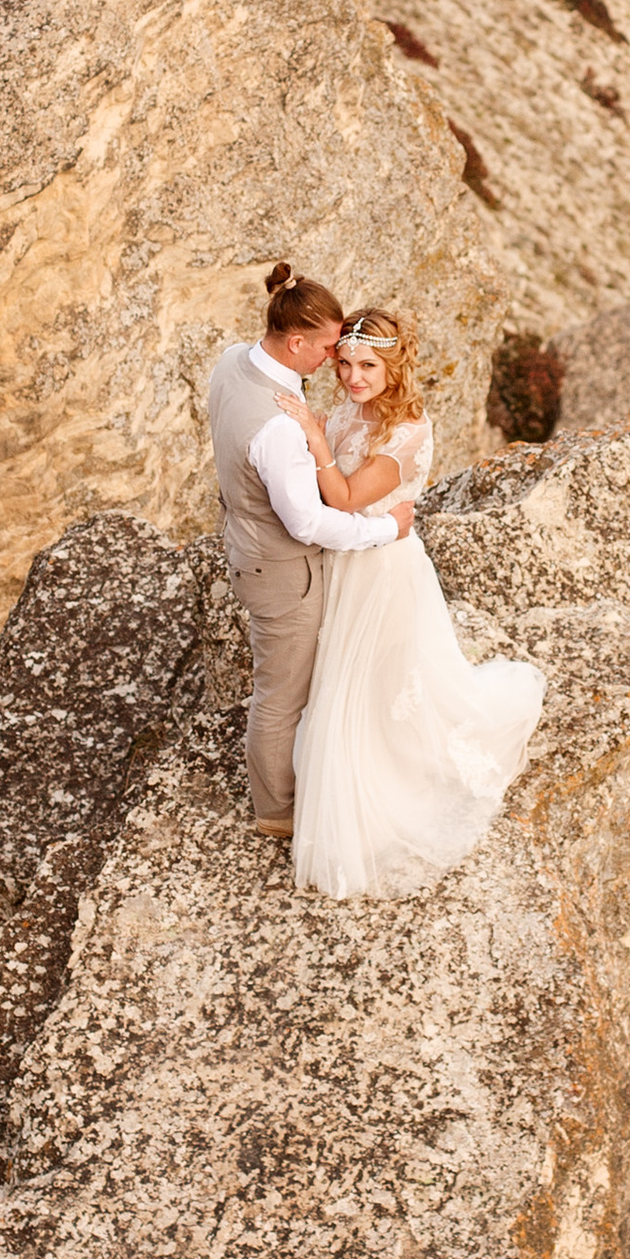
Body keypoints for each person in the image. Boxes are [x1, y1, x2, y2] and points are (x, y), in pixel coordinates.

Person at [282, 301, 546, 901]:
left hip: (382, 570)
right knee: (347, 681)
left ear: (393, 368)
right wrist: (320, 434)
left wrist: (315, 440)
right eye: (345, 363)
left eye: (367, 367)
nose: (352, 377)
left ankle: (386, 790)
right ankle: (350, 778)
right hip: (344, 565)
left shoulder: (407, 428)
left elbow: (347, 496)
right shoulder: (351, 413)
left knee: (379, 682)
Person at [204, 263, 413, 841]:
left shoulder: (232, 361)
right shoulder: (277, 429)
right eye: (327, 349)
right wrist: (385, 531)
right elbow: (310, 521)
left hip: (246, 545)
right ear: (296, 342)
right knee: (280, 698)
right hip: (282, 569)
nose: (334, 362)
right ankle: (277, 812)